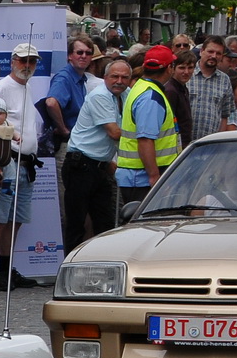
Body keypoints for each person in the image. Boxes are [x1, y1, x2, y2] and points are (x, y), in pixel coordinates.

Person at [0, 43, 43, 289]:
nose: (28, 65)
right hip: (10, 161)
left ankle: (6, 269)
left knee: (16, 220)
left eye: (32, 61)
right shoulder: (2, 87)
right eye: (23, 60)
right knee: (0, 219)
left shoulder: (27, 86)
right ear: (12, 61)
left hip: (27, 163)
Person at [60, 58, 127, 251]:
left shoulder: (126, 95)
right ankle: (70, 272)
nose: (119, 81)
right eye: (115, 76)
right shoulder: (100, 95)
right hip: (80, 165)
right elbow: (114, 132)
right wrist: (143, 134)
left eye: (124, 77)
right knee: (77, 224)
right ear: (104, 77)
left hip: (101, 166)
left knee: (104, 224)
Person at [116, 45, 182, 213]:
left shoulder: (141, 87)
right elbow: (145, 139)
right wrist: (154, 176)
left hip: (138, 176)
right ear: (169, 68)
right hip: (143, 178)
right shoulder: (151, 96)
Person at [187, 36, 235, 140]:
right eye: (210, 51)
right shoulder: (186, 74)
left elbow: (225, 115)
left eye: (218, 53)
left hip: (209, 145)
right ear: (201, 51)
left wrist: (218, 141)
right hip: (185, 143)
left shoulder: (225, 80)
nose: (214, 56)